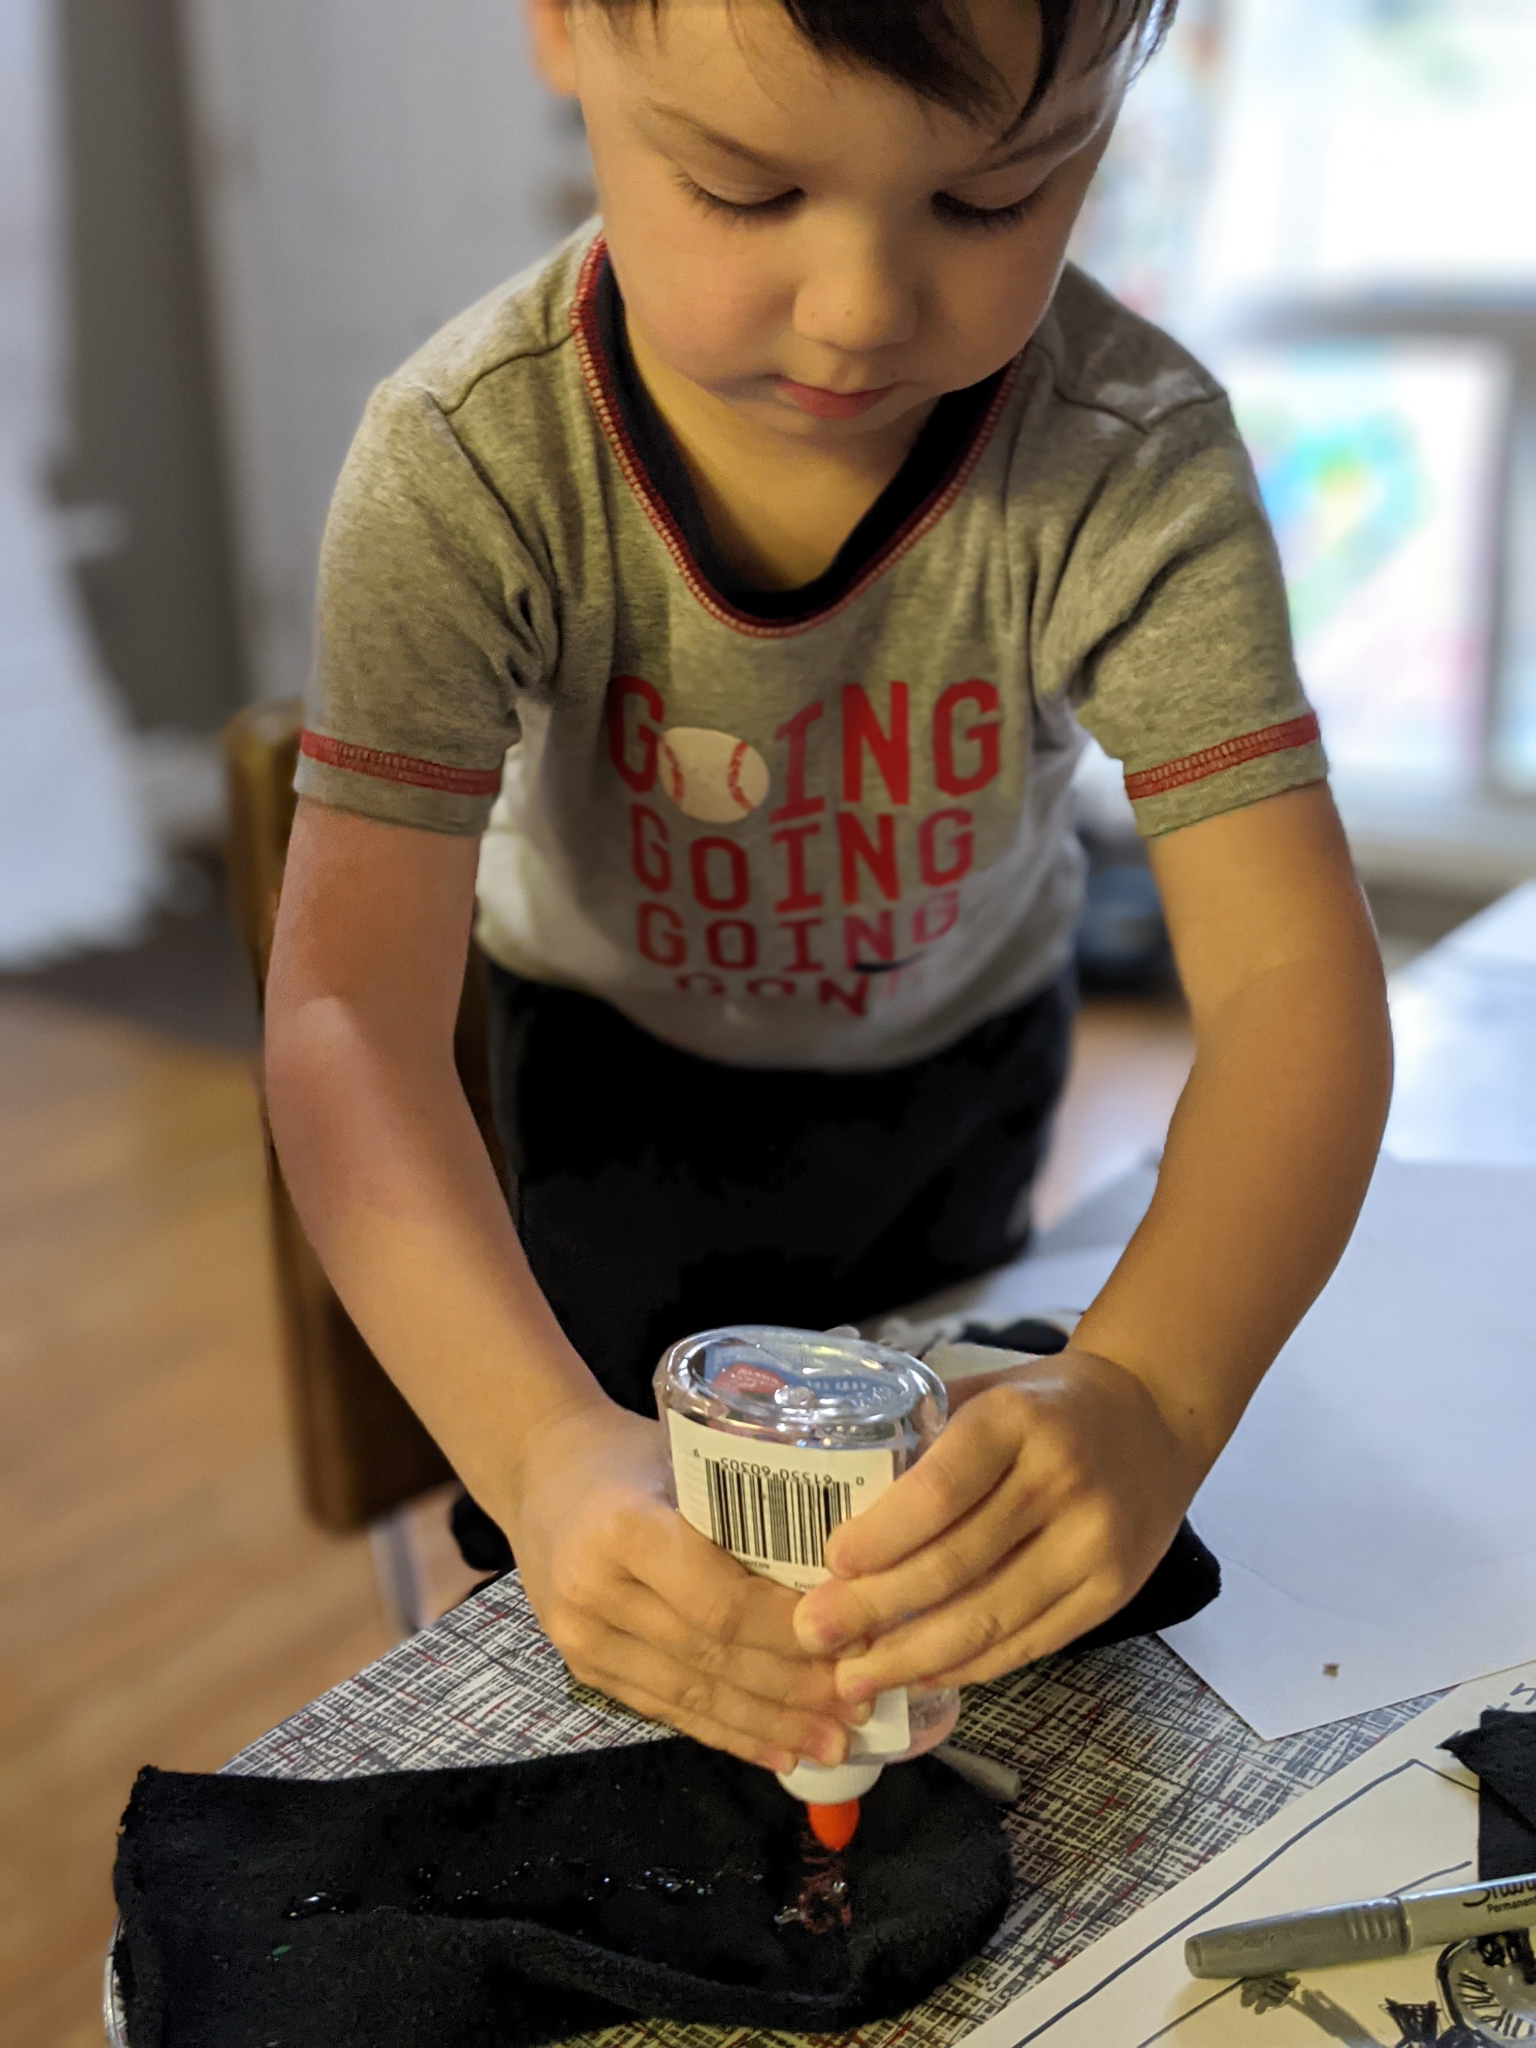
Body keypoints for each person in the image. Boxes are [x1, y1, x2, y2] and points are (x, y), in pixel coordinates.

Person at [264, 0, 1392, 1782]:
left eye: (992, 200)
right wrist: (543, 1455)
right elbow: (343, 1018)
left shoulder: (1131, 462)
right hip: (610, 1107)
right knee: (646, 1640)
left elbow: (1290, 994)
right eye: (744, 187)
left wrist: (1151, 1398)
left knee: (943, 1632)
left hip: (962, 1079)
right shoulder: (471, 462)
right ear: (561, 29)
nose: (866, 308)